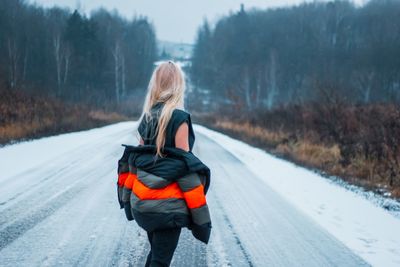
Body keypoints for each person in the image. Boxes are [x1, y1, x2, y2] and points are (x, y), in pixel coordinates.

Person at [118, 60, 211, 267]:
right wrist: (201, 219)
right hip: (167, 209)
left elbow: (138, 162)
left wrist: (127, 200)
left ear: (156, 85)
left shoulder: (148, 117)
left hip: (143, 205)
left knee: (157, 257)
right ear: (179, 85)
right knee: (160, 261)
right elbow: (185, 166)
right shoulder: (180, 119)